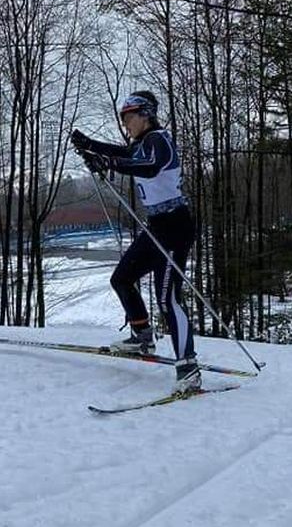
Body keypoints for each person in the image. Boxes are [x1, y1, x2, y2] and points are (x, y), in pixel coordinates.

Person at [70, 91, 200, 393]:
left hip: (174, 226)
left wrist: (107, 161)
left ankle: (189, 366)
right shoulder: (142, 144)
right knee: (123, 278)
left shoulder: (159, 140)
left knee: (167, 298)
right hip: (156, 226)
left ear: (145, 114)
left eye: (129, 117)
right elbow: (125, 155)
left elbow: (150, 166)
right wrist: (90, 146)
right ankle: (143, 337)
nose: (126, 124)